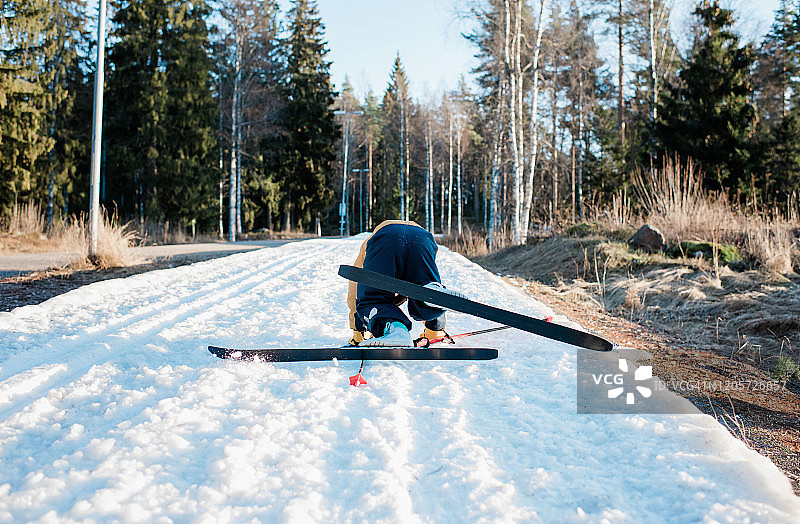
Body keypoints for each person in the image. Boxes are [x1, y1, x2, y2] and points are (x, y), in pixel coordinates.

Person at [347, 220, 453, 347]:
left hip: (385, 240)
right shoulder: (417, 232)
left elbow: (357, 284)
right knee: (426, 289)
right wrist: (435, 329)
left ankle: (396, 329)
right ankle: (433, 315)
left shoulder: (372, 240)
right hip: (422, 238)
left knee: (373, 298)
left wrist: (359, 331)